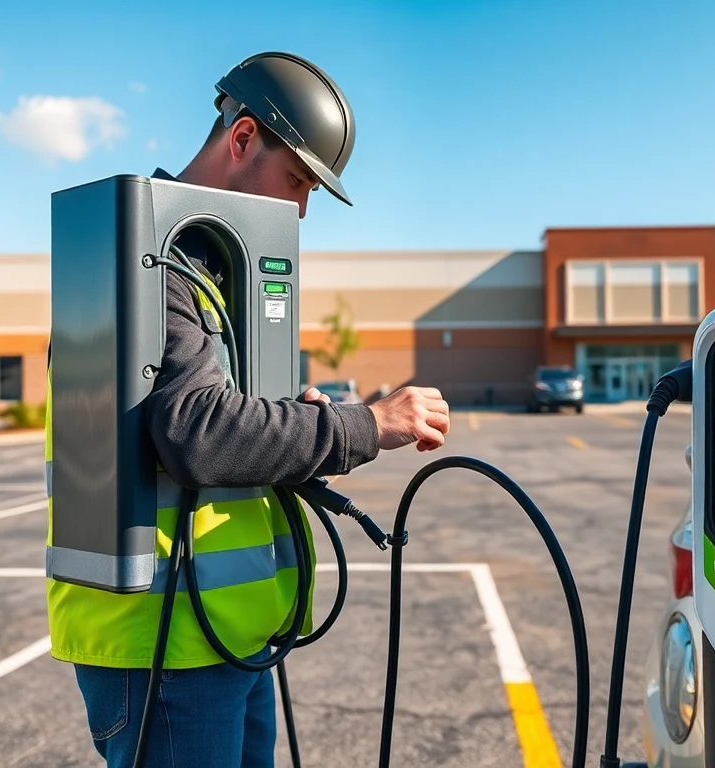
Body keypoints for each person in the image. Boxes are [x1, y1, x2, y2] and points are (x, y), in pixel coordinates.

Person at [43, 51, 452, 768]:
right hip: (164, 647)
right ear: (241, 140)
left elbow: (206, 420)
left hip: (222, 636)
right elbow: (195, 432)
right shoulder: (148, 265)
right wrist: (366, 423)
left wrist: (289, 423)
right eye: (296, 179)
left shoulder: (207, 268)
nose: (299, 208)